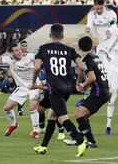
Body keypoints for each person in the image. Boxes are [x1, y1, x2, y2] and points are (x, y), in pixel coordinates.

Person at [32, 23, 87, 157]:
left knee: (62, 118)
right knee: (52, 116)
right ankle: (43, 147)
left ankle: (80, 142)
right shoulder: (70, 50)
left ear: (50, 35)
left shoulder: (43, 49)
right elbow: (81, 67)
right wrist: (79, 82)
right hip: (67, 88)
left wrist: (33, 82)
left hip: (54, 89)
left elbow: (37, 67)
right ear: (62, 35)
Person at [0, 35, 41, 138]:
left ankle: (36, 130)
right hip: (21, 88)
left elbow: (40, 57)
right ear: (11, 53)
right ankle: (13, 125)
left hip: (34, 85)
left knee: (32, 107)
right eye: (16, 50)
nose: (19, 52)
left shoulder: (29, 56)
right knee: (7, 108)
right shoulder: (8, 59)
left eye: (19, 50)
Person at [75, 36, 111, 147]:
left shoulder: (86, 59)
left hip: (98, 92)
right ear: (91, 46)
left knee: (79, 115)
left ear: (79, 48)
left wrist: (82, 85)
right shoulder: (96, 56)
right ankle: (79, 139)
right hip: (104, 90)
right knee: (83, 115)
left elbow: (92, 78)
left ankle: (91, 141)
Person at [85, 0, 118, 71]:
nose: (99, 10)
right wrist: (88, 28)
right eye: (97, 8)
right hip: (102, 42)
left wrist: (109, 30)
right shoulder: (91, 14)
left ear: (104, 5)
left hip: (112, 39)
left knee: (102, 55)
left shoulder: (110, 13)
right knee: (104, 61)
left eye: (101, 8)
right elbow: (89, 24)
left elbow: (113, 25)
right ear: (94, 6)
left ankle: (107, 75)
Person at [17, 40, 29, 116]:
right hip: (18, 77)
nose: (24, 47)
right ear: (20, 46)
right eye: (23, 46)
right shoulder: (17, 54)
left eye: (25, 46)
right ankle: (19, 108)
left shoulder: (30, 55)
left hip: (27, 78)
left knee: (26, 94)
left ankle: (19, 108)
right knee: (21, 93)